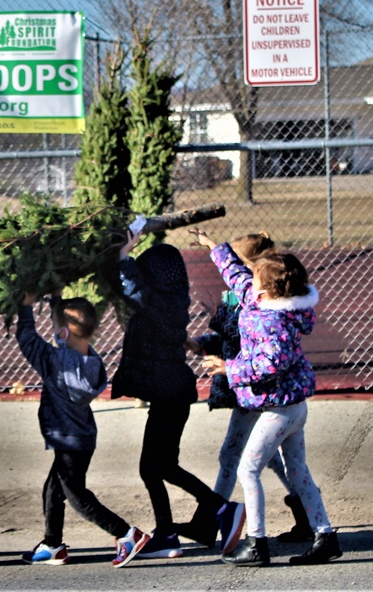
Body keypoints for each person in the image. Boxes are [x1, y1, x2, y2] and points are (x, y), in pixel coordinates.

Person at [188, 228, 342, 567]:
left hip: (280, 409)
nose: (249, 280)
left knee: (248, 468)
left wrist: (230, 369)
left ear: (269, 288)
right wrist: (215, 247)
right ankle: (325, 536)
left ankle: (256, 543)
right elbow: (239, 277)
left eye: (256, 276)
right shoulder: (263, 301)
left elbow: (269, 364)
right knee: (298, 470)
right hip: (289, 406)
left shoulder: (275, 321)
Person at [110, 230, 244, 559]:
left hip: (169, 393)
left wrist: (123, 258)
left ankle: (216, 513)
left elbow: (135, 292)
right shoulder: (173, 297)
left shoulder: (157, 302)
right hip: (172, 392)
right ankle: (178, 528)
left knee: (152, 468)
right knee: (163, 466)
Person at [15, 291, 151, 568]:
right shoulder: (92, 361)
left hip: (67, 439)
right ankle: (52, 544)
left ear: (63, 333)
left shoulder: (54, 362)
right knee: (53, 489)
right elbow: (68, 337)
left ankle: (126, 534)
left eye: (56, 329)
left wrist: (25, 307)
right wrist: (57, 302)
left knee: (76, 496)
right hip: (83, 437)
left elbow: (27, 340)